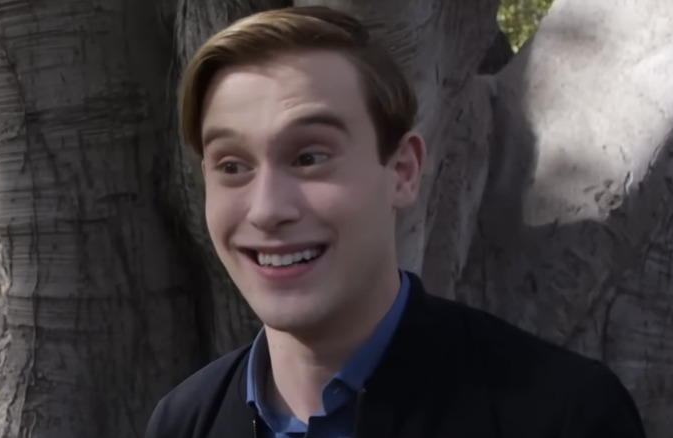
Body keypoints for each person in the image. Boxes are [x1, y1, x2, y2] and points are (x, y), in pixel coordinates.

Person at [146, 6, 646, 438]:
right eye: (232, 166)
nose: (267, 209)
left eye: (309, 157)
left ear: (403, 171)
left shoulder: (563, 416)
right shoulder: (184, 422)